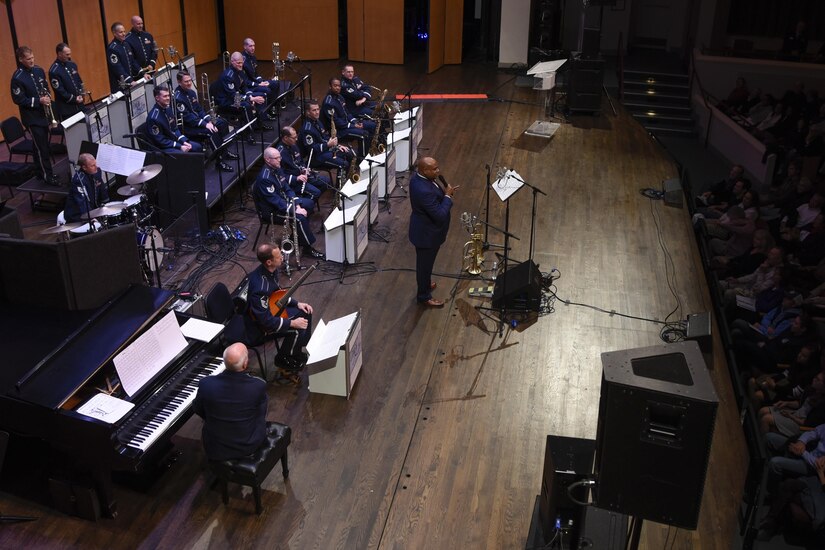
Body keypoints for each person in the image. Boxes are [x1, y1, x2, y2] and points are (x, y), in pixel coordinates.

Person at [193, 343, 268, 461]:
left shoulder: (206, 383)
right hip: (247, 445)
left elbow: (198, 409)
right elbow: (261, 415)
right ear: (245, 363)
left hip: (215, 446)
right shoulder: (258, 386)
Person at [247, 244, 315, 373]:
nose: (283, 258)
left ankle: (297, 349)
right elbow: (265, 321)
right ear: (269, 262)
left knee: (305, 312)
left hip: (271, 311)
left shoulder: (271, 270)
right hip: (261, 325)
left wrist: (297, 303)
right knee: (297, 329)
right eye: (279, 257)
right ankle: (284, 358)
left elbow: (276, 295)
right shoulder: (260, 289)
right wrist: (292, 323)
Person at [253, 147, 324, 260]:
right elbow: (275, 201)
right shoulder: (264, 178)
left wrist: (297, 204)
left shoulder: (277, 168)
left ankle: (298, 234)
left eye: (279, 157)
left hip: (284, 201)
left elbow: (287, 188)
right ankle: (307, 248)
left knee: (309, 203)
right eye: (276, 158)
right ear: (267, 160)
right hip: (272, 211)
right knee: (299, 218)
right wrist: (295, 210)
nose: (279, 160)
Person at [409, 157, 457, 307]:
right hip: (426, 235)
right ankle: (423, 296)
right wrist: (448, 196)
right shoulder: (423, 190)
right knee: (424, 266)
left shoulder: (419, 178)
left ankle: (426, 283)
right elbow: (440, 214)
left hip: (427, 230)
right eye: (434, 169)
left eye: (437, 167)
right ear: (424, 170)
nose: (438, 171)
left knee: (426, 265)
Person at [11, 46, 58, 185]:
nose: (32, 61)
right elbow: (19, 99)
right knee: (42, 148)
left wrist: (48, 97)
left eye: (32, 57)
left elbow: (45, 87)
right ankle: (48, 176)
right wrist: (39, 101)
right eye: (28, 59)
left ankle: (39, 172)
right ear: (21, 60)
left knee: (39, 145)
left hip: (43, 114)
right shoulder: (17, 78)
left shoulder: (38, 70)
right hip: (31, 118)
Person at [173, 70, 234, 171]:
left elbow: (199, 109)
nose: (189, 83)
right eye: (186, 81)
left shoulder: (191, 92)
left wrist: (208, 120)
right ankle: (219, 162)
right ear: (179, 82)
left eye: (190, 80)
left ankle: (224, 152)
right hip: (189, 127)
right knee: (211, 131)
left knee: (222, 123)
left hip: (200, 122)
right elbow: (188, 118)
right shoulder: (178, 98)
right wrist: (205, 125)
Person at [215, 51, 271, 131]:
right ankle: (250, 130)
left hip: (236, 97)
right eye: (238, 63)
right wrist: (250, 99)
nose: (241, 65)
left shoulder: (239, 70)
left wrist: (250, 95)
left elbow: (244, 86)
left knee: (262, 96)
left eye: (241, 62)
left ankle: (260, 123)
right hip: (226, 101)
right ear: (232, 62)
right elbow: (233, 96)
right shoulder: (228, 76)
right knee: (246, 106)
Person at [276, 126, 330, 201]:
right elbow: (280, 174)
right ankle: (304, 205)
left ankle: (308, 199)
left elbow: (300, 161)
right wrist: (296, 178)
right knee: (316, 193)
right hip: (293, 182)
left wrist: (304, 169)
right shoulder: (279, 154)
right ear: (285, 138)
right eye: (294, 138)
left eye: (296, 136)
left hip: (302, 175)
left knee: (326, 182)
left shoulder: (294, 145)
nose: (296, 139)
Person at [324, 78, 374, 157]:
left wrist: (355, 121)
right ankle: (362, 159)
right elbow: (336, 122)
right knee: (364, 134)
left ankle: (371, 150)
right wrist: (353, 125)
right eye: (335, 86)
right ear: (330, 87)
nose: (338, 88)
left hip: (347, 125)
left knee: (370, 125)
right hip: (339, 131)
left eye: (339, 86)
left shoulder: (340, 97)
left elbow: (347, 112)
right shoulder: (329, 103)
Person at [144, 85, 202, 153]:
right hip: (163, 147)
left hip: (173, 141)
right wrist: (179, 146)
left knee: (197, 147)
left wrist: (184, 141)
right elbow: (160, 141)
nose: (168, 98)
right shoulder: (153, 118)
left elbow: (174, 128)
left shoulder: (168, 109)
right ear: (157, 98)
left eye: (168, 95)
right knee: (183, 154)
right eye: (165, 96)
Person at [299, 100, 352, 171]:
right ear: (308, 112)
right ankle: (341, 182)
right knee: (344, 164)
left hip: (325, 150)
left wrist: (337, 146)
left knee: (348, 153)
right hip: (317, 157)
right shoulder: (307, 129)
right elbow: (312, 149)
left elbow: (325, 137)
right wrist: (327, 145)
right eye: (314, 110)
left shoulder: (317, 121)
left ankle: (348, 178)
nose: (317, 112)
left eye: (318, 109)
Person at [241, 38, 291, 109]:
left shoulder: (253, 57)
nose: (253, 48)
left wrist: (262, 81)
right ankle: (269, 108)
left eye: (254, 46)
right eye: (250, 46)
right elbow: (244, 81)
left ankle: (274, 105)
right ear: (245, 47)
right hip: (249, 86)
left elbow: (256, 74)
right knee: (267, 90)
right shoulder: (242, 60)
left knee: (275, 83)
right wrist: (258, 84)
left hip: (256, 82)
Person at [64, 153, 109, 223]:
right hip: (77, 216)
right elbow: (82, 202)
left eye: (95, 164)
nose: (96, 167)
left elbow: (102, 188)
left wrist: (107, 205)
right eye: (92, 166)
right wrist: (90, 218)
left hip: (93, 210)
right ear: (84, 167)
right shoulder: (78, 180)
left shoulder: (97, 171)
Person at [106, 21, 149, 93]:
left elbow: (133, 61)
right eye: (120, 32)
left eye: (124, 31)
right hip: (120, 84)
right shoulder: (112, 48)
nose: (124, 34)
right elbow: (117, 68)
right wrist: (129, 80)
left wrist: (143, 73)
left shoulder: (126, 44)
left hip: (130, 81)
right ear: (114, 34)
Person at [48, 43, 85, 121]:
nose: (69, 56)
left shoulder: (72, 64)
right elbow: (60, 91)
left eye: (70, 54)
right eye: (67, 54)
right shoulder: (54, 71)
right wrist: (74, 99)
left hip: (79, 104)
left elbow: (79, 81)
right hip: (67, 109)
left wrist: (82, 93)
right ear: (59, 54)